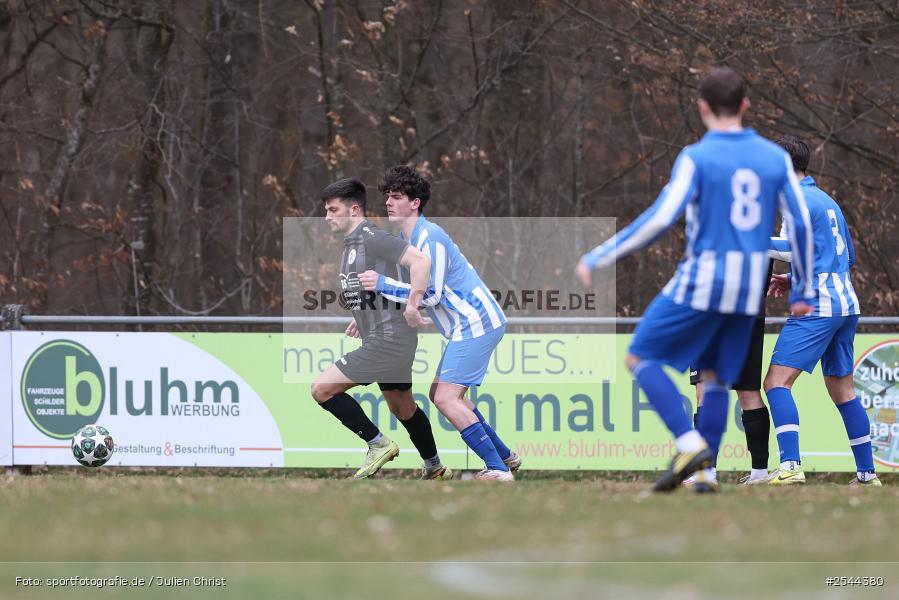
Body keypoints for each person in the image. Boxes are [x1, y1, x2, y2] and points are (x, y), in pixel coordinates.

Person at [576, 67, 814, 493]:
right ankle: (705, 476)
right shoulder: (774, 159)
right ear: (745, 106)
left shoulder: (696, 157)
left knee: (639, 357)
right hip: (747, 292)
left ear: (702, 106)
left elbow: (661, 218)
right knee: (716, 378)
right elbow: (800, 226)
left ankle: (690, 447)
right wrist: (805, 288)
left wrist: (601, 254)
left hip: (703, 281)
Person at [359, 165, 521, 481]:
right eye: (388, 197)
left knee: (447, 398)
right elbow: (415, 295)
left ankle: (498, 470)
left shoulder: (429, 237)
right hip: (467, 325)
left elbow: (429, 294)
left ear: (415, 202)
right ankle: (505, 456)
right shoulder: (411, 239)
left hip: (476, 323)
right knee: (440, 394)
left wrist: (381, 283)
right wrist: (365, 317)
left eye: (396, 197)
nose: (389, 203)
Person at [310, 178, 453, 480]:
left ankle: (378, 444)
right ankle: (435, 466)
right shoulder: (352, 245)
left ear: (354, 209)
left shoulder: (372, 238)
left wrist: (414, 305)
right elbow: (374, 289)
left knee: (321, 389)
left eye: (333, 209)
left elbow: (420, 262)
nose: (327, 217)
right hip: (392, 339)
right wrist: (362, 315)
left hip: (388, 341)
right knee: (404, 409)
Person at [764, 135, 879, 487]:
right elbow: (843, 256)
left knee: (776, 383)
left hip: (819, 305)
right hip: (846, 302)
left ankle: (790, 466)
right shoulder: (826, 200)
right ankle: (867, 474)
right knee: (842, 390)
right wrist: (792, 276)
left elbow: (789, 246)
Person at [684, 260, 774, 487]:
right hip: (750, 312)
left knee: (706, 390)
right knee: (748, 391)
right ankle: (759, 473)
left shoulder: (714, 226)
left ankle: (707, 471)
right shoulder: (759, 226)